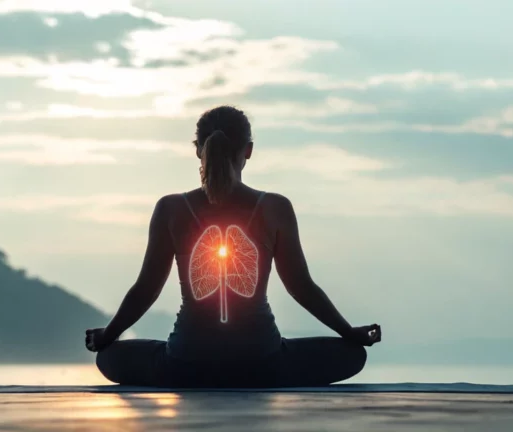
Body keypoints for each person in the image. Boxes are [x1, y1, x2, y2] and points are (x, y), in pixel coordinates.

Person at [85, 106, 382, 388]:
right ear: (248, 150)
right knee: (353, 354)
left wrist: (107, 336)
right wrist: (349, 332)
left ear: (197, 150)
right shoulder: (275, 207)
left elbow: (146, 290)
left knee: (109, 357)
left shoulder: (171, 208)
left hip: (185, 366)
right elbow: (301, 287)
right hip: (263, 365)